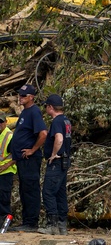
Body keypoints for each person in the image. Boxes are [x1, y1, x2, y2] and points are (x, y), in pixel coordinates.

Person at [10, 84, 47, 232]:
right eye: (20, 95)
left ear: (32, 97)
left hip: (30, 159)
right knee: (24, 189)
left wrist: (33, 149)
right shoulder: (25, 112)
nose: (21, 98)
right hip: (22, 159)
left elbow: (43, 133)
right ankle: (26, 221)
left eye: (24, 96)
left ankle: (32, 222)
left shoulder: (34, 112)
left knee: (31, 189)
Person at [38, 94, 71, 235]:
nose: (45, 108)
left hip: (57, 161)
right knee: (60, 192)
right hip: (65, 160)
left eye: (46, 106)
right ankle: (62, 224)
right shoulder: (66, 121)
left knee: (48, 192)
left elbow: (59, 139)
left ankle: (52, 224)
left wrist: (53, 154)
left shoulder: (57, 121)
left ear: (50, 107)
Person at [0, 116, 16, 224]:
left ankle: (5, 222)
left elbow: (16, 155)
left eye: (0, 122)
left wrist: (5, 166)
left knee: (3, 198)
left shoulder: (9, 136)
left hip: (6, 172)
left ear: (6, 122)